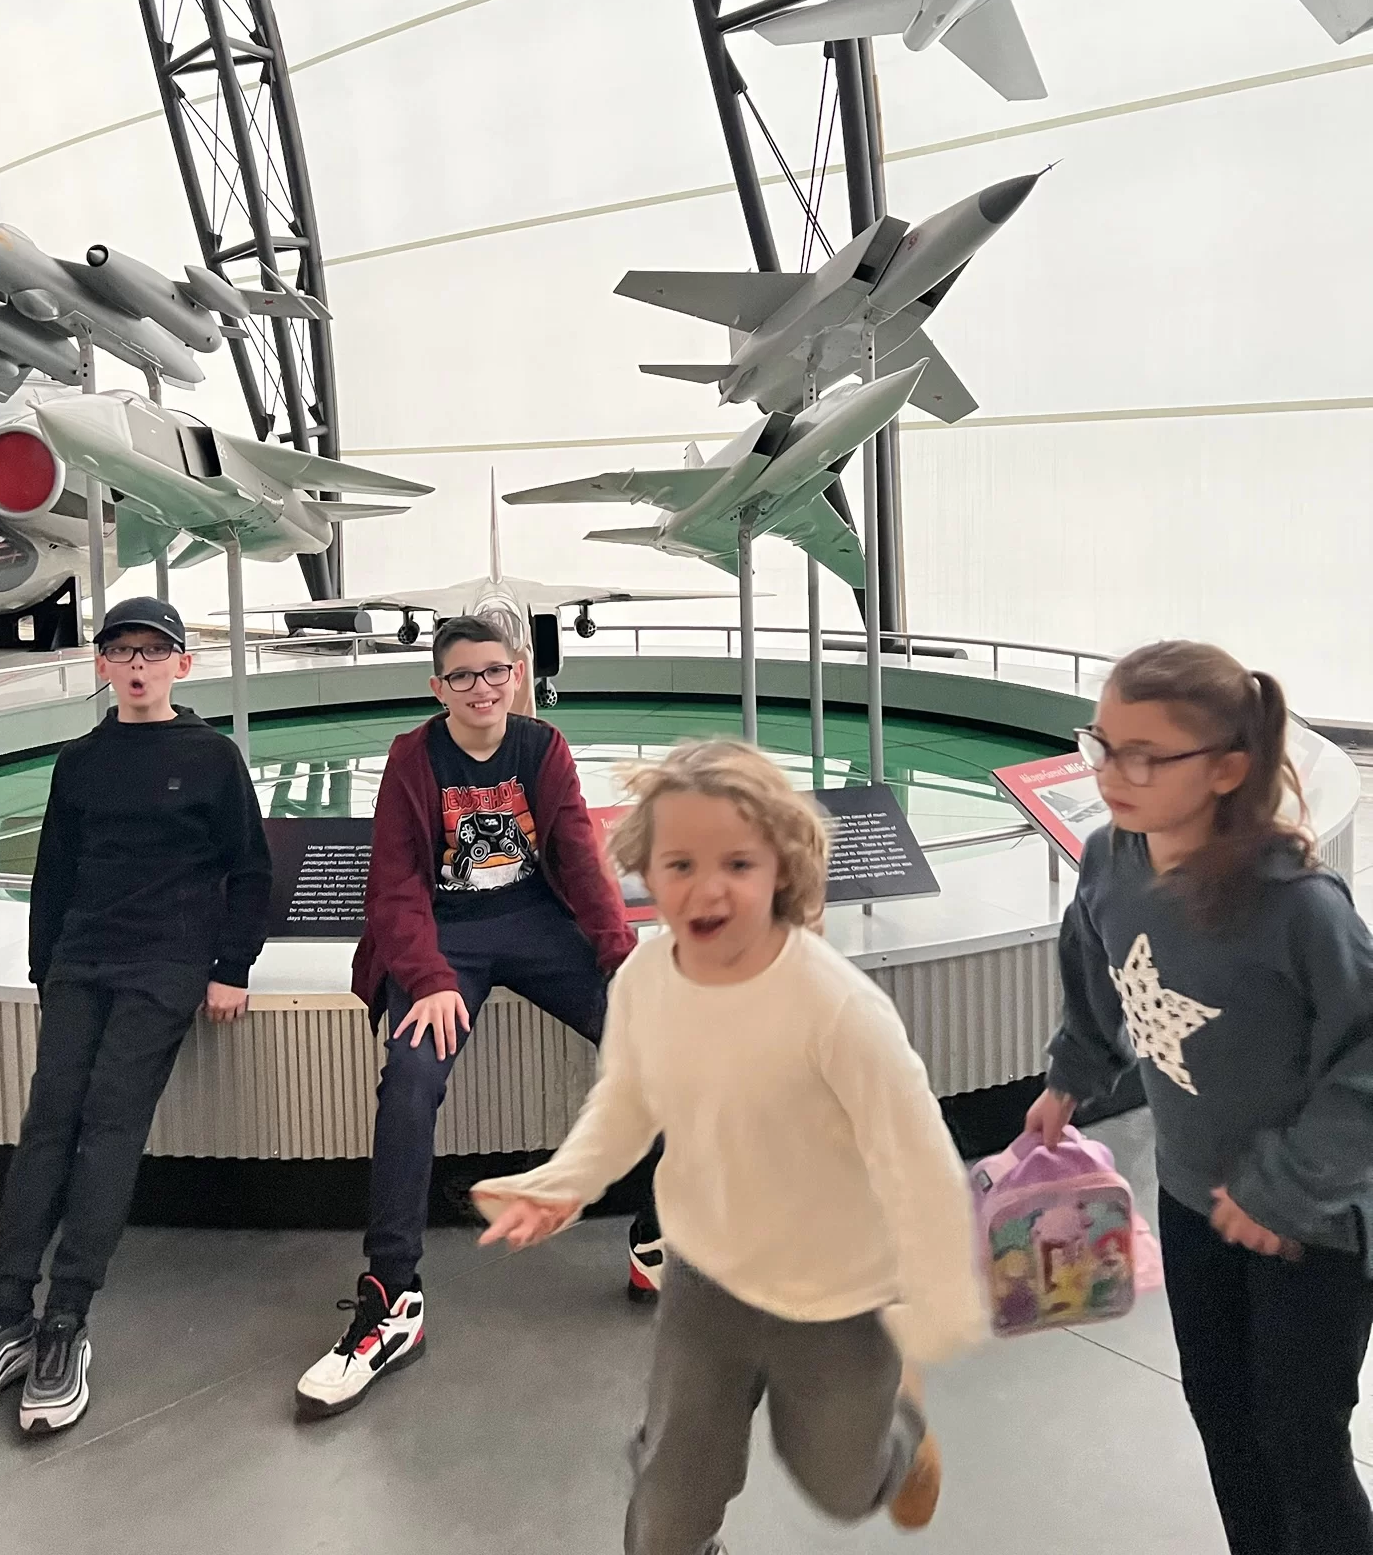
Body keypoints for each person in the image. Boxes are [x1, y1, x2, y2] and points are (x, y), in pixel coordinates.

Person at [474, 739, 984, 1552]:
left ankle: (903, 1430)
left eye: (736, 864)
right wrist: (563, 1183)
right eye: (679, 864)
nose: (705, 888)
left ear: (780, 866)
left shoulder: (835, 1009)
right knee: (670, 1504)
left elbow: (917, 1157)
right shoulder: (645, 980)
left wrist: (939, 1299)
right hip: (706, 1274)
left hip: (837, 1295)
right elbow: (628, 1098)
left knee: (841, 1484)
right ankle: (687, 1502)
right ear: (647, 869)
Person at [1028, 640, 1373, 1555]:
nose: (1112, 774)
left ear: (1228, 769)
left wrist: (1288, 1190)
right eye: (1103, 745)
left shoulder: (1298, 906)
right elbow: (1097, 964)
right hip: (1190, 1200)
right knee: (1223, 1417)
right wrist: (1073, 1072)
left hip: (1313, 1225)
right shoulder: (1110, 857)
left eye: (1145, 755)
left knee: (1301, 1442)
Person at [295, 615, 663, 1419]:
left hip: (538, 928)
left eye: (495, 671)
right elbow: (392, 885)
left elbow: (577, 858)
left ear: (518, 674)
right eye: (462, 676)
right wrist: (425, 979)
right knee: (412, 1078)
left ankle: (659, 1234)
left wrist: (621, 956)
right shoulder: (412, 758)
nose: (482, 688)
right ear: (438, 688)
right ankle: (392, 1296)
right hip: (443, 941)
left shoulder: (543, 748)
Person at [0, 596, 272, 1437]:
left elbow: (250, 871)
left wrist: (229, 967)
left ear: (183, 666)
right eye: (124, 651)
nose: (140, 664)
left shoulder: (213, 758)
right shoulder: (79, 761)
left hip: (165, 966)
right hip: (82, 962)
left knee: (109, 1127)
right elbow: (55, 871)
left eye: (155, 651)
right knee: (48, 1125)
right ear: (103, 666)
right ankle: (3, 1312)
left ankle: (67, 1318)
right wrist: (47, 969)